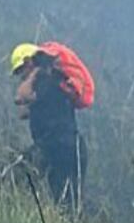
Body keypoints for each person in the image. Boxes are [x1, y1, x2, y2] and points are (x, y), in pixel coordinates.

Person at [9, 42, 94, 207]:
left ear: (29, 62)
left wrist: (35, 72)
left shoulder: (46, 79)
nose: (21, 76)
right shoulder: (46, 85)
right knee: (62, 200)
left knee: (66, 201)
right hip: (58, 148)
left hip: (63, 148)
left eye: (21, 70)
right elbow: (22, 111)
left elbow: (20, 97)